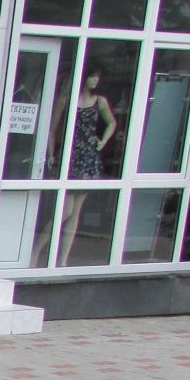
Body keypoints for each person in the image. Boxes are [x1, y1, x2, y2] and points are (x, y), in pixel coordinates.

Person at [58, 64, 117, 266]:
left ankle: (62, 259)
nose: (95, 80)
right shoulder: (67, 100)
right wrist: (51, 153)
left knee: (75, 211)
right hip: (71, 154)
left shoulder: (99, 101)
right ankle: (38, 249)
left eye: (97, 77)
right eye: (92, 76)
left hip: (88, 156)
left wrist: (102, 141)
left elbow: (112, 123)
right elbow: (53, 127)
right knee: (65, 210)